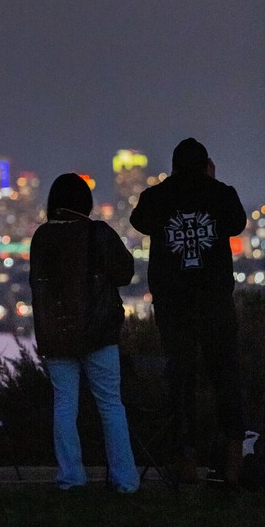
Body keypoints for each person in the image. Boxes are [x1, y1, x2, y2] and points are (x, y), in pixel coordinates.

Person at [130, 138, 247, 488]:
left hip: (173, 304)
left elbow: (139, 221)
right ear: (206, 164)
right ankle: (233, 459)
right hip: (215, 302)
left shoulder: (157, 197)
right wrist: (210, 183)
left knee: (180, 379)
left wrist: (172, 189)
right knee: (226, 377)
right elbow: (237, 224)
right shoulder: (221, 194)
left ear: (174, 165)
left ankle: (186, 459)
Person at [30, 172, 140, 493]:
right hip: (98, 331)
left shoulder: (42, 237)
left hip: (56, 334)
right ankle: (125, 480)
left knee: (65, 404)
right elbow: (125, 272)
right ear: (85, 202)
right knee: (111, 405)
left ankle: (71, 477)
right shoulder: (97, 233)